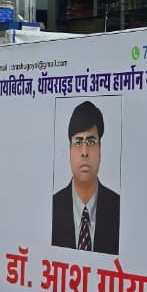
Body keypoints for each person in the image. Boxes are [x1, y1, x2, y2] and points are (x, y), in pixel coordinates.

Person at [51, 101, 120, 255]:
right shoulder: (52, 206)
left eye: (91, 142)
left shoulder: (118, 208)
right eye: (78, 142)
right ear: (69, 150)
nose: (84, 152)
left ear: (100, 149)